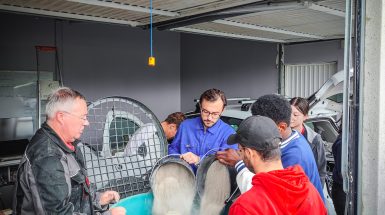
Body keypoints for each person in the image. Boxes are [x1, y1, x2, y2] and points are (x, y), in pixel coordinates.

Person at [13, 87, 125, 215]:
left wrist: (98, 199)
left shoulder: (67, 145)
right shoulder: (47, 157)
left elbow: (75, 192)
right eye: (83, 117)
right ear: (61, 117)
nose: (86, 123)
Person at [216, 94, 324, 201]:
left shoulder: (295, 157)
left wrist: (238, 164)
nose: (258, 129)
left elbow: (269, 196)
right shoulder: (291, 137)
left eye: (262, 126)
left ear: (281, 127)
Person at [227, 115, 326, 215]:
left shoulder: (245, 207)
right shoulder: (310, 191)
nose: (240, 153)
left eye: (240, 150)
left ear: (249, 153)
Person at [168, 88, 237, 168]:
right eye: (205, 111)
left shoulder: (229, 134)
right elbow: (172, 150)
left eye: (215, 114)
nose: (209, 118)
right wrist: (179, 157)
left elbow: (228, 163)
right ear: (200, 106)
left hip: (212, 180)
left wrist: (199, 159)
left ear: (222, 110)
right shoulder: (185, 126)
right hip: (184, 178)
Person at [290, 97, 327, 187]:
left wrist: (316, 192)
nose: (291, 118)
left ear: (305, 116)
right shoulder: (280, 135)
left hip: (307, 188)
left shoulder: (314, 139)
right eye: (289, 113)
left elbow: (320, 170)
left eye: (295, 115)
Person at [332, 133, 346, 215]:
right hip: (341, 189)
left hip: (340, 188)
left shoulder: (344, 140)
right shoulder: (342, 143)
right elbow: (342, 172)